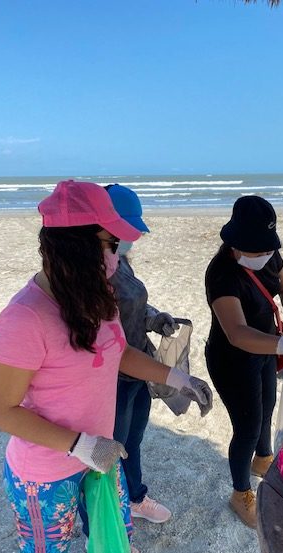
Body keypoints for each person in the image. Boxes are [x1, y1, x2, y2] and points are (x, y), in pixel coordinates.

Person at [0, 180, 212, 553]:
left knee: (117, 539)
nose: (119, 254)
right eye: (111, 244)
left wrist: (175, 377)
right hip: (46, 472)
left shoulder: (98, 293)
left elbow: (118, 351)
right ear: (76, 246)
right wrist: (80, 445)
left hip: (102, 455)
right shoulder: (24, 319)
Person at [204, 195, 283, 528]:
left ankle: (263, 459)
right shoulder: (222, 273)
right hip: (233, 359)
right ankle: (240, 492)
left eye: (268, 249)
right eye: (257, 252)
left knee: (267, 405)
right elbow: (237, 333)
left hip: (266, 353)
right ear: (235, 244)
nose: (265, 256)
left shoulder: (268, 254)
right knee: (247, 426)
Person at [106, 183, 175, 525]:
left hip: (137, 371)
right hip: (112, 379)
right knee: (108, 448)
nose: (133, 236)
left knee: (132, 440)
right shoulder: (92, 274)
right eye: (127, 228)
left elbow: (132, 309)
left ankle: (134, 497)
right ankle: (105, 514)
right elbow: (109, 340)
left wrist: (153, 318)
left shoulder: (121, 261)